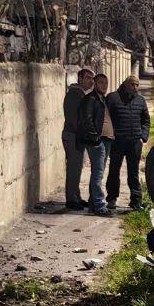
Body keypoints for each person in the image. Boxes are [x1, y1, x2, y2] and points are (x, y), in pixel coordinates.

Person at [104, 75, 151, 211]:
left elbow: (146, 120)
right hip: (117, 141)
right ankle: (112, 198)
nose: (135, 88)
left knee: (134, 172)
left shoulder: (140, 100)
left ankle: (136, 201)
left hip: (134, 142)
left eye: (137, 85)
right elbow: (105, 116)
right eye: (132, 85)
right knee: (114, 170)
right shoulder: (113, 98)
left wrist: (143, 135)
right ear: (125, 84)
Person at [76, 73, 113, 216]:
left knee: (99, 172)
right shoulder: (91, 99)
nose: (104, 85)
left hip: (106, 139)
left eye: (106, 82)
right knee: (98, 173)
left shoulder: (102, 99)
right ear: (95, 84)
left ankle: (93, 203)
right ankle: (99, 205)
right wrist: (96, 139)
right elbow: (86, 120)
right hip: (98, 141)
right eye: (101, 82)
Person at [62, 68, 95, 209]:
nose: (91, 81)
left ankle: (76, 196)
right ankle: (71, 200)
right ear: (80, 78)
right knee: (73, 168)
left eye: (92, 79)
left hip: (77, 136)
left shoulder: (80, 94)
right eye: (88, 78)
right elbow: (74, 119)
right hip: (73, 136)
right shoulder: (74, 95)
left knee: (77, 168)